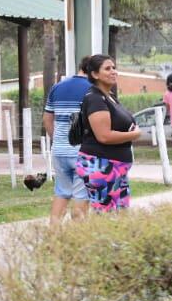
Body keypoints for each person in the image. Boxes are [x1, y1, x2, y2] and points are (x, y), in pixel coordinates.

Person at [75, 55, 143, 212]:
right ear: (94, 74)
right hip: (101, 165)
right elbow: (104, 136)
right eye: (107, 68)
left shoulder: (109, 97)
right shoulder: (95, 99)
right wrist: (134, 135)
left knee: (120, 216)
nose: (113, 71)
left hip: (117, 167)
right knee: (106, 216)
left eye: (114, 67)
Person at [42, 56, 93, 227]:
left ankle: (53, 234)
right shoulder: (93, 89)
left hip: (59, 150)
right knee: (81, 197)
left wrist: (57, 139)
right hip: (83, 152)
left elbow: (47, 119)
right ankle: (76, 239)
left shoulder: (57, 87)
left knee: (61, 193)